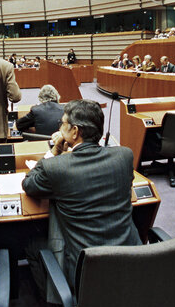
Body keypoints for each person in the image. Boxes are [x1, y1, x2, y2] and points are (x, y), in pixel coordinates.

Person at [23, 99, 141, 289]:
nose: (60, 127)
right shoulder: (124, 156)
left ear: (75, 131)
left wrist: (56, 150)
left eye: (63, 124)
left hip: (85, 271)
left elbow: (29, 183)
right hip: (131, 260)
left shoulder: (57, 167)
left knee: (31, 245)